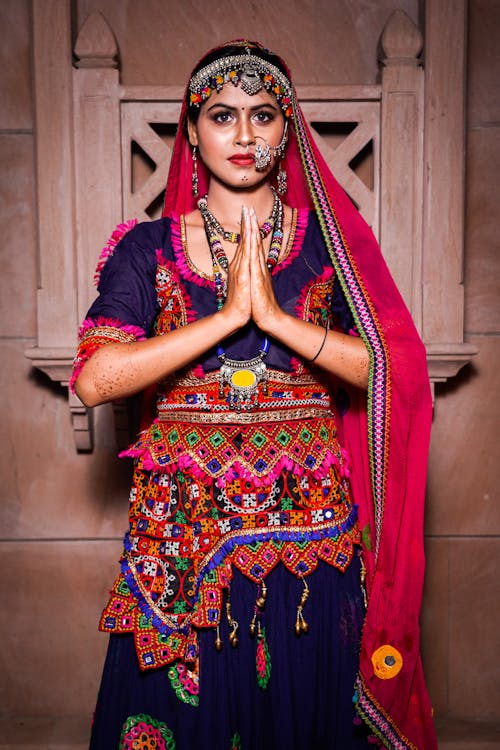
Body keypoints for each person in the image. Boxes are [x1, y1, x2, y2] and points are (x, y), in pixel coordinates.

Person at [72, 40, 437, 750]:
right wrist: (225, 319)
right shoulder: (146, 248)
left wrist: (275, 321)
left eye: (263, 115)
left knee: (307, 711)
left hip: (309, 532)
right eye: (222, 115)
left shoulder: (326, 246)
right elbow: (94, 379)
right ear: (192, 130)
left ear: (286, 129)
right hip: (182, 528)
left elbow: (394, 373)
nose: (243, 135)